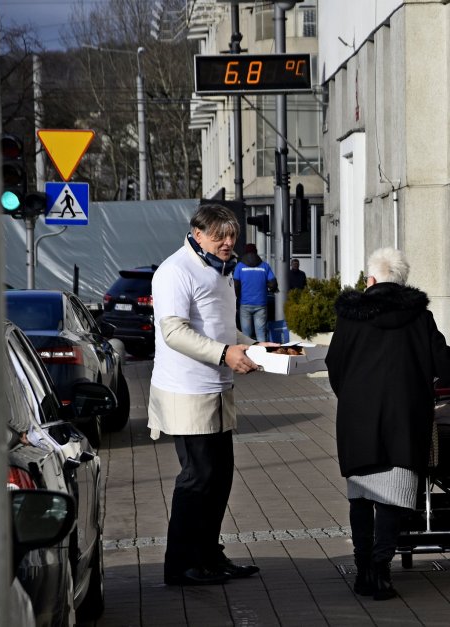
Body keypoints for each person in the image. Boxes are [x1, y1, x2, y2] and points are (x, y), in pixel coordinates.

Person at [325, 247, 450, 600]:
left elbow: (335, 364)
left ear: (371, 280)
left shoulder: (350, 316)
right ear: (401, 282)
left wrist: (350, 399)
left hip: (358, 419)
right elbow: (444, 360)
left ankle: (363, 571)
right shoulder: (418, 317)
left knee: (362, 497)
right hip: (405, 418)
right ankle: (381, 571)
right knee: (393, 497)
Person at [148, 204, 269, 586]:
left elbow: (221, 329)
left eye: (232, 236)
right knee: (197, 478)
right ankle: (181, 565)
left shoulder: (219, 269)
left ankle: (208, 556)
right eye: (220, 236)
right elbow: (174, 332)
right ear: (197, 234)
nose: (228, 243)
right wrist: (226, 354)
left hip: (217, 388)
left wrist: (257, 347)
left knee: (219, 479)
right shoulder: (175, 271)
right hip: (186, 391)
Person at [234, 243, 277, 342]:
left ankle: (248, 355)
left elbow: (236, 285)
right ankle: (263, 356)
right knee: (261, 334)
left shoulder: (240, 267)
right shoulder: (264, 266)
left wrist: (237, 298)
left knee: (246, 335)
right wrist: (267, 287)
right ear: (256, 253)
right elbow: (273, 284)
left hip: (244, 304)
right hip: (261, 303)